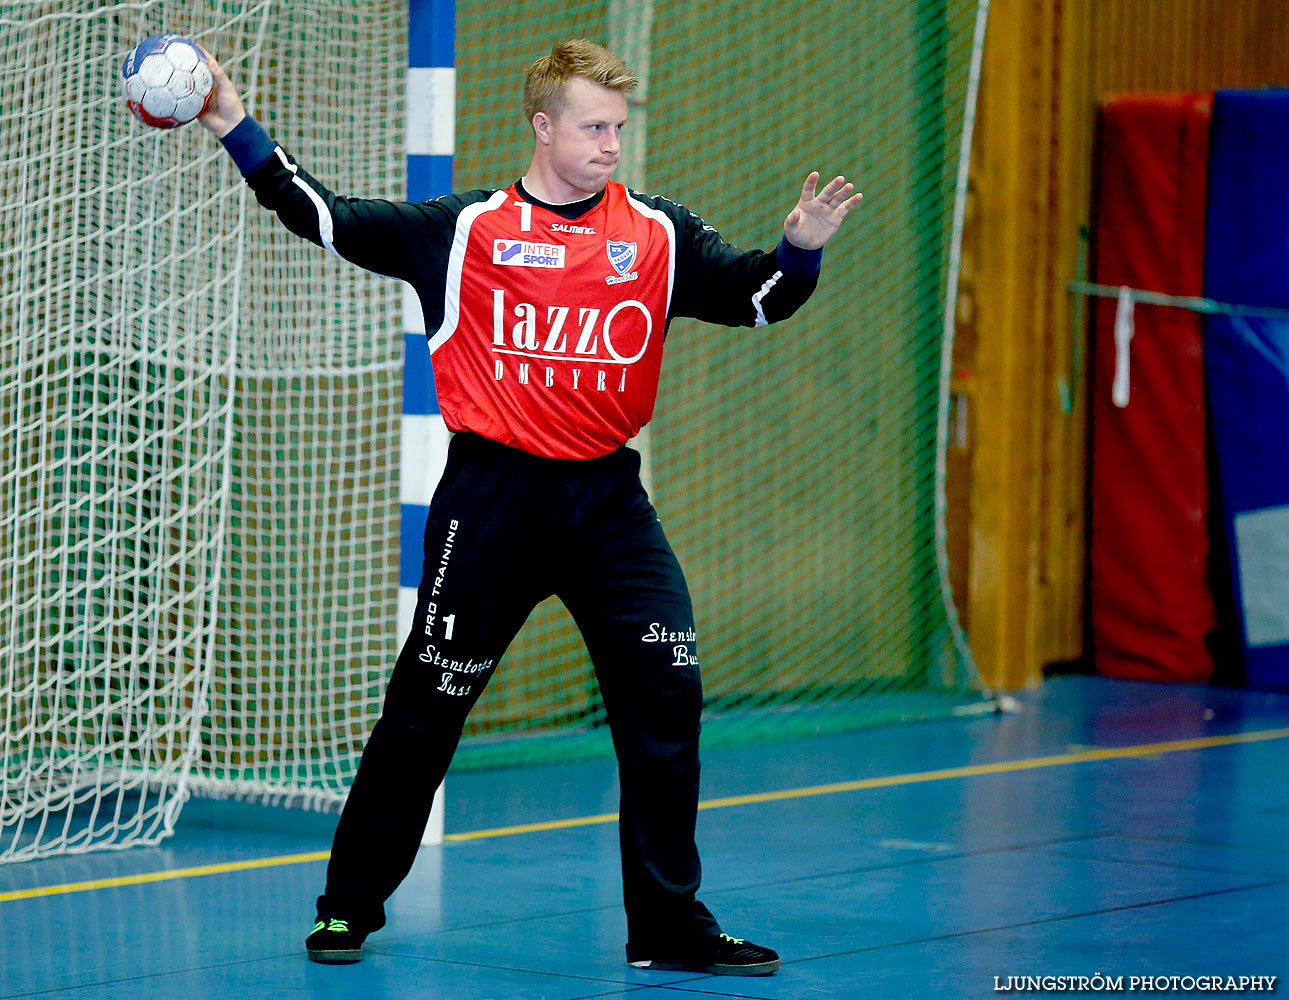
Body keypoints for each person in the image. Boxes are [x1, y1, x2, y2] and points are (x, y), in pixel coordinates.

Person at [197, 38, 861, 976]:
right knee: (427, 704)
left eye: (618, 129)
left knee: (667, 690)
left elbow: (755, 300)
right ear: (542, 127)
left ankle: (669, 927)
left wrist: (797, 249)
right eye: (593, 127)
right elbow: (330, 221)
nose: (609, 146)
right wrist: (232, 121)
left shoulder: (657, 235)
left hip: (609, 502)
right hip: (493, 500)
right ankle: (348, 907)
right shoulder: (462, 229)